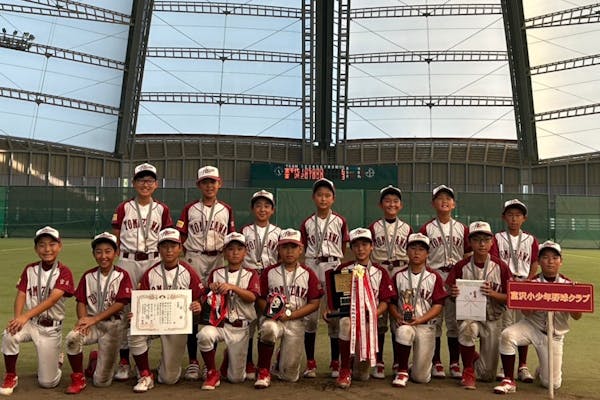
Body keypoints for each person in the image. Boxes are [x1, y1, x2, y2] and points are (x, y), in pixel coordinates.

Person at [494, 241, 582, 394]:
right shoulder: (532, 283)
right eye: (545, 257)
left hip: (554, 335)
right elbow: (526, 313)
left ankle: (542, 369)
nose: (550, 261)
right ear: (539, 261)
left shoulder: (568, 285)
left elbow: (577, 317)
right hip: (531, 327)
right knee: (507, 335)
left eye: (554, 258)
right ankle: (508, 380)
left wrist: (571, 299)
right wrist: (537, 298)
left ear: (561, 261)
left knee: (552, 384)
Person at [111, 162, 173, 381]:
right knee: (125, 310)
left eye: (149, 180)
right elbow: (116, 236)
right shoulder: (124, 207)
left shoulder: (162, 209)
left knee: (150, 310)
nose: (145, 184)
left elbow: (167, 237)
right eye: (141, 180)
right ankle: (124, 360)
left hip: (153, 260)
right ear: (134, 183)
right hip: (128, 260)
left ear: (156, 184)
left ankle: (142, 361)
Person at [176, 165, 236, 380]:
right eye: (205, 182)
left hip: (217, 258)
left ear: (219, 184)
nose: (209, 186)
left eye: (213, 181)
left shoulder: (226, 209)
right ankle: (193, 361)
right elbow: (181, 236)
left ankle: (209, 363)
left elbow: (231, 238)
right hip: (195, 258)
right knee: (192, 309)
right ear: (198, 185)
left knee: (214, 308)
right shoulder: (190, 208)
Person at [0, 226, 75, 396]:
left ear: (60, 246)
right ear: (36, 249)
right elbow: (21, 294)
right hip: (31, 324)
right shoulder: (30, 269)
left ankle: (56, 361)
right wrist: (17, 319)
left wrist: (25, 316)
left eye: (52, 244)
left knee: (47, 383)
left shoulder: (64, 272)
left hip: (51, 329)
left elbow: (53, 299)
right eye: (42, 245)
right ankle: (11, 375)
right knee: (9, 333)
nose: (47, 249)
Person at [128, 228, 204, 393]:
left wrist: (197, 305)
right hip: (154, 324)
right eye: (164, 246)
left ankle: (163, 367)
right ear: (158, 249)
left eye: (173, 246)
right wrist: (136, 314)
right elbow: (141, 302)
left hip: (176, 326)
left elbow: (198, 298)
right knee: (133, 332)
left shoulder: (188, 272)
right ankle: (145, 374)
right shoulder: (150, 273)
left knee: (169, 379)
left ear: (180, 248)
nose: (169, 250)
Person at [63, 232, 133, 394]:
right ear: (94, 254)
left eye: (108, 251)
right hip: (92, 325)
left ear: (116, 253)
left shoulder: (122, 275)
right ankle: (78, 377)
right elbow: (81, 301)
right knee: (73, 338)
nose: (103, 256)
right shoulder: (88, 276)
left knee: (101, 382)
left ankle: (94, 361)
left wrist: (93, 319)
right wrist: (83, 320)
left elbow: (120, 303)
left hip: (113, 326)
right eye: (99, 252)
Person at [327, 228, 396, 389]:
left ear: (372, 247)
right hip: (350, 318)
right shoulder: (343, 270)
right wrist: (330, 309)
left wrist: (373, 313)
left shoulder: (380, 272)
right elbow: (337, 299)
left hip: (369, 323)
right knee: (345, 322)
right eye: (356, 245)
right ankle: (344, 368)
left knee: (362, 376)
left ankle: (356, 362)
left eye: (365, 244)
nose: (360, 249)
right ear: (351, 248)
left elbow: (385, 301)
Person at [254, 229, 323, 389]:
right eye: (285, 247)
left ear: (301, 249)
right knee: (268, 328)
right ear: (278, 249)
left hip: (296, 321)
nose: (289, 251)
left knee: (290, 377)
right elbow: (260, 298)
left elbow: (314, 303)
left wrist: (291, 315)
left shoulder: (308, 273)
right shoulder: (269, 272)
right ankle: (263, 371)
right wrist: (272, 313)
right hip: (274, 319)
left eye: (293, 247)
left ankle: (280, 359)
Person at [446, 221, 511, 390]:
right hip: (470, 317)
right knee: (467, 329)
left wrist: (493, 294)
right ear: (470, 243)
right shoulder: (461, 266)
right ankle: (468, 370)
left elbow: (510, 298)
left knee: (487, 375)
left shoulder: (501, 267)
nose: (482, 244)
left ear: (492, 242)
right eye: (476, 240)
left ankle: (473, 357)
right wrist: (453, 294)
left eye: (485, 240)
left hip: (492, 318)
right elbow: (450, 293)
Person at [419, 185, 470, 379]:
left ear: (454, 204)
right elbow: (421, 255)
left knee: (454, 322)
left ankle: (455, 363)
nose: (444, 201)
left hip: (456, 278)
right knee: (435, 321)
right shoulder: (427, 228)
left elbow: (467, 254)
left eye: (448, 198)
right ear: (433, 204)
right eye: (440, 198)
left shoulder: (462, 228)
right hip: (436, 276)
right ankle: (436, 361)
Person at [300, 178, 349, 378]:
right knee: (310, 318)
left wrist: (335, 261)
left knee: (334, 315)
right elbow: (303, 247)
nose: (323, 198)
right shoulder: (307, 223)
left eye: (327, 195)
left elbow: (344, 246)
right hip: (312, 264)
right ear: (313, 197)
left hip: (333, 265)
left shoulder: (340, 221)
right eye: (320, 195)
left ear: (333, 199)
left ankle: (335, 361)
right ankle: (310, 362)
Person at [197, 232, 260, 390]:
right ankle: (212, 372)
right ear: (224, 252)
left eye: (239, 249)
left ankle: (227, 358)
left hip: (240, 327)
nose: (235, 252)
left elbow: (252, 297)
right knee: (204, 335)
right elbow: (207, 298)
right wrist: (211, 289)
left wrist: (233, 287)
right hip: (220, 324)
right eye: (230, 249)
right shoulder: (216, 273)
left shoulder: (251, 274)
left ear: (245, 252)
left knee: (236, 379)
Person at [389, 233, 447, 388]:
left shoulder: (434, 277)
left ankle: (414, 368)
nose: (416, 252)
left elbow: (438, 305)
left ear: (427, 253)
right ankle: (402, 370)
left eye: (421, 249)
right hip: (406, 323)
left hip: (425, 325)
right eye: (413, 248)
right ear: (407, 251)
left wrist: (420, 319)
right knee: (403, 331)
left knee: (421, 378)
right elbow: (391, 303)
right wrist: (397, 316)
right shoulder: (398, 276)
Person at [491, 199, 539, 382]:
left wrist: (529, 280)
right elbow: (495, 262)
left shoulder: (530, 240)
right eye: (510, 215)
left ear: (524, 218)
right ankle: (505, 366)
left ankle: (523, 366)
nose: (514, 218)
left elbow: (534, 262)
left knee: (523, 325)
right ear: (504, 217)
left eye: (518, 215)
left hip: (523, 286)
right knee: (506, 326)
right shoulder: (497, 238)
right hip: (506, 286)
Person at [369, 185, 413, 377]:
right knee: (379, 318)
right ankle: (378, 361)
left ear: (401, 205)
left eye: (395, 201)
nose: (391, 204)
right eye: (387, 201)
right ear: (381, 205)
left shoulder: (407, 228)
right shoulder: (373, 227)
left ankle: (397, 361)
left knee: (399, 315)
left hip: (400, 270)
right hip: (380, 271)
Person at [240, 189, 281, 379]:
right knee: (249, 320)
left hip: (269, 277)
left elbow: (281, 258)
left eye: (266, 206)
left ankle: (265, 363)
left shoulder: (278, 232)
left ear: (272, 210)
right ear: (252, 209)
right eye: (258, 206)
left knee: (267, 319)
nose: (262, 209)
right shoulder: (244, 231)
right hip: (249, 277)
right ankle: (248, 362)